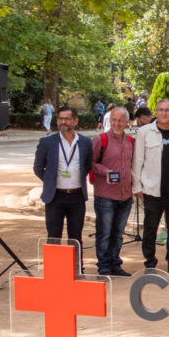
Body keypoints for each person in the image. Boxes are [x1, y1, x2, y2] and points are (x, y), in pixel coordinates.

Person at [132, 100, 169, 275]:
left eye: (168, 110)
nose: (165, 113)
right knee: (150, 228)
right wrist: (137, 186)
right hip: (152, 189)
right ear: (156, 112)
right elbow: (137, 161)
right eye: (161, 110)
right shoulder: (144, 132)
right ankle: (150, 262)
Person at [33, 106, 93, 255]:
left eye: (67, 119)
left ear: (75, 121)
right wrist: (50, 181)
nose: (63, 122)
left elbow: (88, 165)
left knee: (76, 238)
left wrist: (75, 179)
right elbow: (38, 168)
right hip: (55, 197)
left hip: (77, 197)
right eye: (60, 119)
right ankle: (53, 273)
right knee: (53, 237)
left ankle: (77, 270)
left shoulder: (85, 142)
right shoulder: (47, 142)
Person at [91, 107, 135, 276]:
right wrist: (106, 172)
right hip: (106, 195)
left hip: (125, 194)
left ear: (127, 122)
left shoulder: (130, 141)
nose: (117, 123)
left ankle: (115, 264)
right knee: (104, 233)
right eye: (114, 120)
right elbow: (91, 163)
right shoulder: (100, 140)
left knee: (118, 233)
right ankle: (103, 266)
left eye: (121, 120)